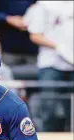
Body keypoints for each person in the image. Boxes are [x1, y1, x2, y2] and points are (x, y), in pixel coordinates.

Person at [24, 1, 74, 131]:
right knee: (50, 109)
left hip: (72, 64)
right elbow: (35, 35)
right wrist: (59, 47)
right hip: (51, 64)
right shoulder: (44, 5)